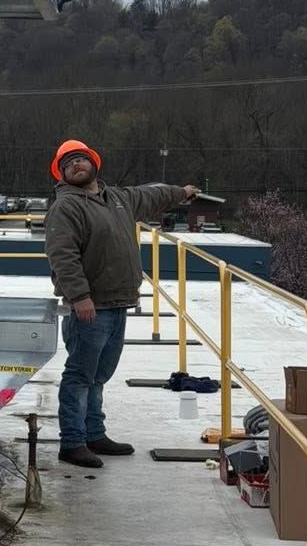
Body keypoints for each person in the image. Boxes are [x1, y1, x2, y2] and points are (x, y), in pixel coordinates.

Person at [43, 138, 198, 470]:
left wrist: (182, 191)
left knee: (99, 375)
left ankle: (94, 434)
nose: (75, 165)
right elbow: (62, 256)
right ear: (61, 174)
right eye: (67, 163)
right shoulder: (66, 207)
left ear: (94, 164)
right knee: (80, 375)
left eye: (80, 159)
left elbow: (154, 195)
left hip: (118, 303)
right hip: (90, 307)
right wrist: (79, 297)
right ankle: (72, 442)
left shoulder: (119, 199)